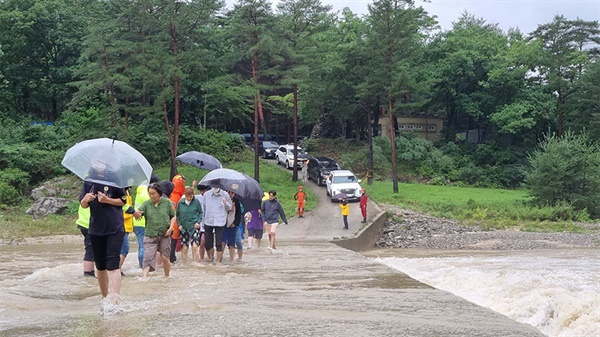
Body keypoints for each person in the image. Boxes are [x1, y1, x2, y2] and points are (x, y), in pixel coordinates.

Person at [80, 168, 126, 304]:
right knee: (100, 266)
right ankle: (104, 297)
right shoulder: (88, 180)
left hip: (115, 227)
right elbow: (83, 205)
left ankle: (115, 299)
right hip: (95, 228)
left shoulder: (115, 178)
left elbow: (123, 201)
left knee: (113, 263)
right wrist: (85, 199)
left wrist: (108, 200)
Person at [134, 183, 175, 278]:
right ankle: (144, 279)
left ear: (159, 193)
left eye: (154, 193)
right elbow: (139, 212)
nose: (151, 196)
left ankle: (167, 277)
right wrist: (137, 214)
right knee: (147, 258)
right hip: (150, 234)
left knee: (165, 257)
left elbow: (173, 216)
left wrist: (171, 228)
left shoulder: (167, 202)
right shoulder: (146, 204)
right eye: (150, 194)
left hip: (165, 234)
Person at [201, 181, 232, 263]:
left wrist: (225, 203)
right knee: (208, 243)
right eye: (213, 187)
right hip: (208, 220)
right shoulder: (206, 195)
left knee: (219, 242)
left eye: (216, 187)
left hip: (220, 221)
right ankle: (210, 258)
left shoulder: (225, 194)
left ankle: (218, 261)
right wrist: (202, 221)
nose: (215, 189)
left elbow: (230, 207)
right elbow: (203, 208)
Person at [133, 174, 159, 269]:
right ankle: (145, 267)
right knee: (146, 246)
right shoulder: (148, 195)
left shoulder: (139, 192)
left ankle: (141, 266)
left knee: (141, 246)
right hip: (145, 223)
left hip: (136, 223)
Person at [176, 187, 203, 264]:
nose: (189, 198)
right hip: (184, 228)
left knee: (195, 246)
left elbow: (201, 213)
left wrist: (198, 222)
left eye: (191, 196)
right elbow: (177, 215)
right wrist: (179, 225)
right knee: (184, 248)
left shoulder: (196, 202)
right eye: (188, 196)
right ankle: (185, 264)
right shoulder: (180, 203)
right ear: (185, 195)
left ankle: (195, 264)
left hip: (194, 227)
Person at [168, 173, 186, 264]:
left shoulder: (169, 194)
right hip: (175, 221)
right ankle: (172, 257)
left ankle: (169, 257)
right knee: (174, 239)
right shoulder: (181, 196)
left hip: (168, 220)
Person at [119, 188, 135, 276]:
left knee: (121, 249)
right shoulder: (121, 191)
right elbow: (122, 207)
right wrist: (133, 212)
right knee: (124, 248)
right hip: (121, 225)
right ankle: (116, 268)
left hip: (126, 226)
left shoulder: (127, 191)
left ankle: (117, 268)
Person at [75, 205, 95, 277]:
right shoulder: (95, 194)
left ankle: (91, 273)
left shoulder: (85, 194)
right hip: (90, 224)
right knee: (91, 249)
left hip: (84, 222)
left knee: (91, 248)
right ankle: (88, 273)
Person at [222, 191, 241, 262]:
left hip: (232, 225)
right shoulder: (223, 200)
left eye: (232, 193)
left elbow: (238, 214)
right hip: (223, 224)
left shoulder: (236, 201)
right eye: (228, 193)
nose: (230, 195)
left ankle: (231, 260)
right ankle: (220, 257)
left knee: (232, 243)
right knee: (222, 242)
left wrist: (235, 223)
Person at [194, 184, 209, 260]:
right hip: (199, 223)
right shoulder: (197, 198)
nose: (202, 192)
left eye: (203, 190)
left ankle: (210, 257)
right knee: (201, 242)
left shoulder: (210, 197)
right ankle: (202, 259)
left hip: (209, 223)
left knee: (206, 243)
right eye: (200, 190)